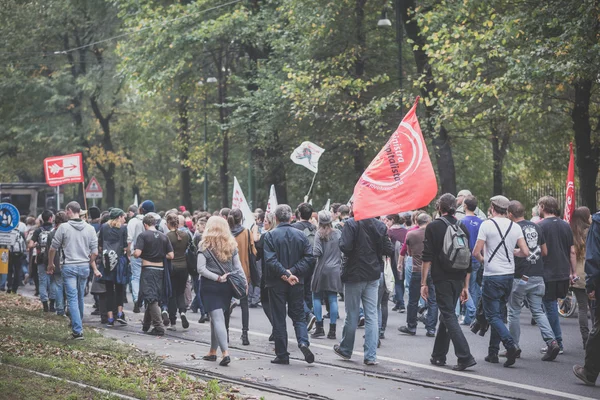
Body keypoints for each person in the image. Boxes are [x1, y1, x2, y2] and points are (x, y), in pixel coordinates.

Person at [473, 195, 529, 367]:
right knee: (499, 313)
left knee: (492, 315)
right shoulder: (515, 226)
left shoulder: (487, 225)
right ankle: (493, 353)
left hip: (492, 276)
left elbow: (476, 252)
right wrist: (513, 252)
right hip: (509, 276)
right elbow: (525, 252)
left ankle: (510, 345)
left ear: (492, 207)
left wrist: (485, 261)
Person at [421, 193, 476, 371]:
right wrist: (466, 286)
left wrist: (424, 283)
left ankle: (465, 356)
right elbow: (467, 259)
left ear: (439, 207)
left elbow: (427, 257)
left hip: (442, 278)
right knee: (446, 315)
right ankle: (438, 355)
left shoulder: (434, 227)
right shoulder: (462, 226)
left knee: (448, 315)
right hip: (459, 278)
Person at [334, 208, 393, 366]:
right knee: (372, 315)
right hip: (373, 273)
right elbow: (389, 249)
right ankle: (370, 356)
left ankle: (346, 349)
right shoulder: (380, 226)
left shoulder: (351, 224)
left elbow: (345, 246)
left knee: (352, 314)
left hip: (354, 273)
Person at [506, 200, 560, 361]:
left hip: (520, 275)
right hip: (537, 274)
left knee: (514, 311)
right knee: (538, 311)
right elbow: (544, 251)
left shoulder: (513, 228)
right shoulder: (537, 226)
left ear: (510, 214)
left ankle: (513, 346)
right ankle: (552, 342)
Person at [264, 204, 315, 365]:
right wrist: (292, 272)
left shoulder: (270, 236)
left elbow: (270, 260)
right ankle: (303, 341)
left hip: (277, 282)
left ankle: (282, 354)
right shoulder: (301, 235)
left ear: (276, 218)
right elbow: (309, 258)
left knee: (279, 317)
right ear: (291, 217)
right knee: (299, 315)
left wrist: (286, 273)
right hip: (297, 281)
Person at [197, 216, 246, 367]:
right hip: (227, 286)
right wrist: (244, 282)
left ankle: (225, 353)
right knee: (216, 318)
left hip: (211, 286)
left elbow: (200, 269)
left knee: (217, 319)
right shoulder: (231, 244)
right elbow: (238, 267)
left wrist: (217, 278)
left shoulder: (204, 245)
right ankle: (213, 351)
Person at [48, 202, 100, 340]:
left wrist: (50, 264)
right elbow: (95, 252)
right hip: (84, 266)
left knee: (72, 298)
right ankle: (79, 323)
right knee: (79, 297)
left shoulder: (64, 228)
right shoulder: (90, 228)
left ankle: (77, 330)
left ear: (69, 211)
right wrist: (89, 261)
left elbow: (53, 248)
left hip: (69, 266)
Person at [538, 195, 576, 354]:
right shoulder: (566, 225)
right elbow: (572, 251)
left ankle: (556, 342)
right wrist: (573, 272)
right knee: (551, 306)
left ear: (543, 207)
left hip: (547, 272)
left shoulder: (540, 226)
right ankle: (555, 341)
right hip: (563, 271)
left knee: (549, 306)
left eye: (539, 206)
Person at [134, 214, 174, 336]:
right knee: (152, 295)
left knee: (151, 298)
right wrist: (160, 255)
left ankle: (159, 326)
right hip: (160, 269)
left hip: (148, 269)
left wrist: (135, 253)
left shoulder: (143, 236)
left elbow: (137, 253)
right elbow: (171, 255)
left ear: (145, 225)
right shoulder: (163, 236)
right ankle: (146, 324)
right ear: (155, 223)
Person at [398, 213, 438, 337]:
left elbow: (409, 252)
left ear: (417, 222)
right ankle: (431, 328)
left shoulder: (410, 234)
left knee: (413, 299)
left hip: (417, 269)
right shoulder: (434, 234)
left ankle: (411, 326)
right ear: (428, 221)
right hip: (432, 269)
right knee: (433, 300)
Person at [573, 208, 600, 386]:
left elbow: (594, 257)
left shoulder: (597, 222)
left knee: (598, 327)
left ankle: (590, 371)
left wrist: (591, 285)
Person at [311, 211, 343, 340]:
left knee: (316, 297)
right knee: (333, 298)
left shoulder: (319, 234)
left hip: (322, 269)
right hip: (335, 270)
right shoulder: (338, 233)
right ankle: (332, 330)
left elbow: (317, 252)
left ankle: (319, 328)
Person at [227, 208, 257, 345]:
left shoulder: (225, 233)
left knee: (226, 304)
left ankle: (225, 333)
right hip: (244, 271)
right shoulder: (246, 232)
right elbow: (254, 252)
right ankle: (245, 334)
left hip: (227, 272)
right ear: (242, 219)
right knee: (244, 305)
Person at [97, 208, 129, 327]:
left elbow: (100, 245)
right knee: (120, 289)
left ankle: (110, 318)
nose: (124, 219)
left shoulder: (104, 227)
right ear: (119, 217)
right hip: (119, 261)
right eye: (123, 216)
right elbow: (125, 246)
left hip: (107, 261)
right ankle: (119, 314)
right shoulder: (123, 228)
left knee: (109, 290)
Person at [292, 202, 318, 330]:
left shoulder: (295, 227)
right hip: (313, 262)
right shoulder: (315, 228)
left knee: (296, 292)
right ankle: (309, 315)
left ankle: (307, 315)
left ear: (299, 214)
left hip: (299, 263)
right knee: (308, 291)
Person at [570, 206, 593, 349]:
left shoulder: (572, 233)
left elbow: (571, 254)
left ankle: (586, 339)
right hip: (591, 273)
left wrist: (572, 272)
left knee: (582, 308)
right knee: (594, 308)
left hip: (578, 274)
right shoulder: (592, 232)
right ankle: (595, 338)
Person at [163, 213, 191, 330]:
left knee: (172, 294)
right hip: (184, 267)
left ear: (168, 223)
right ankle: (183, 312)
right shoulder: (185, 235)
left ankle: (173, 322)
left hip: (171, 268)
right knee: (180, 292)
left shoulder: (167, 236)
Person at [460, 196, 484, 325]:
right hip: (477, 258)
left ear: (465, 206)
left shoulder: (461, 221)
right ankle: (473, 317)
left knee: (464, 286)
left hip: (464, 258)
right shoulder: (481, 222)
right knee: (474, 287)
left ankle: (469, 313)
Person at [28, 210, 55, 312]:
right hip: (53, 259)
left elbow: (30, 245)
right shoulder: (54, 229)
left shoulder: (38, 230)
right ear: (51, 218)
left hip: (40, 259)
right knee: (53, 281)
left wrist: (37, 245)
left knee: (42, 282)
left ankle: (45, 305)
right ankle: (52, 304)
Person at [255, 212, 276, 338]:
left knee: (266, 301)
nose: (264, 223)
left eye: (266, 221)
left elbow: (257, 255)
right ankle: (277, 327)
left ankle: (276, 326)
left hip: (268, 274)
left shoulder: (266, 236)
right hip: (283, 272)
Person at [387, 214, 407, 313]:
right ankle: (398, 303)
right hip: (405, 257)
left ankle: (401, 303)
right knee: (401, 280)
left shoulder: (390, 232)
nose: (387, 223)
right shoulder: (405, 231)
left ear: (392, 220)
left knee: (397, 281)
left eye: (388, 220)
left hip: (394, 258)